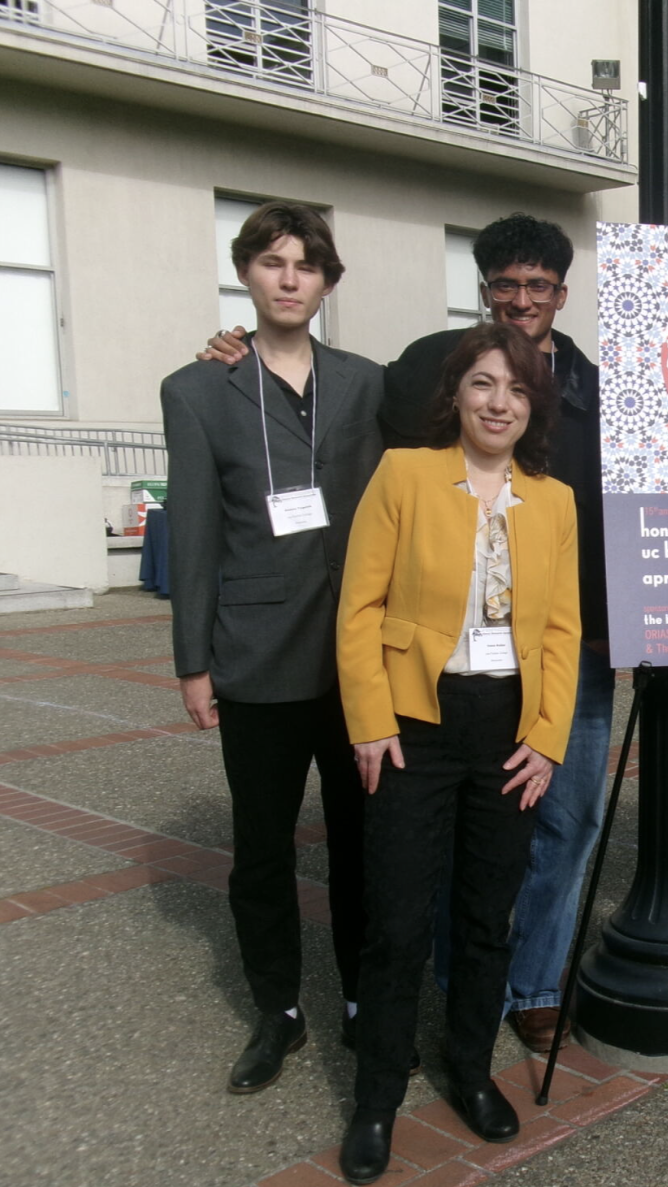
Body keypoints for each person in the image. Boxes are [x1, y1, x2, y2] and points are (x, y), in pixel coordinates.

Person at [203, 213, 610, 1053]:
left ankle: (530, 984)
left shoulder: (602, 392)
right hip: (447, 658)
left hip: (567, 646)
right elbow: (328, 398)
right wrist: (241, 357)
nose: (523, 300)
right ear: (486, 292)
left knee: (564, 822)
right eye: (507, 285)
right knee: (462, 837)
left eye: (539, 286)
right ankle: (458, 986)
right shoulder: (433, 366)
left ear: (562, 296)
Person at [334, 322, 580, 1184]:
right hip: (415, 722)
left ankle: (471, 1070)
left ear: (532, 406)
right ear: (457, 395)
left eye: (515, 389)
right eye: (482, 384)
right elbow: (359, 606)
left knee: (487, 915)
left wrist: (546, 739)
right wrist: (370, 720)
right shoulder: (404, 473)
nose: (498, 402)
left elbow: (561, 629)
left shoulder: (552, 499)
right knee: (399, 918)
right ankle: (375, 1100)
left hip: (509, 725)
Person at [161, 202, 383, 1092]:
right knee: (262, 850)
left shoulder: (368, 382)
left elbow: (473, 394)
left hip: (358, 659)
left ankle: (368, 1001)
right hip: (254, 656)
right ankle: (278, 1010)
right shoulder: (197, 389)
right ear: (246, 274)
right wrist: (191, 661)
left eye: (307, 265)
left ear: (328, 282)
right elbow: (195, 533)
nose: (290, 278)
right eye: (272, 262)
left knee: (363, 843)